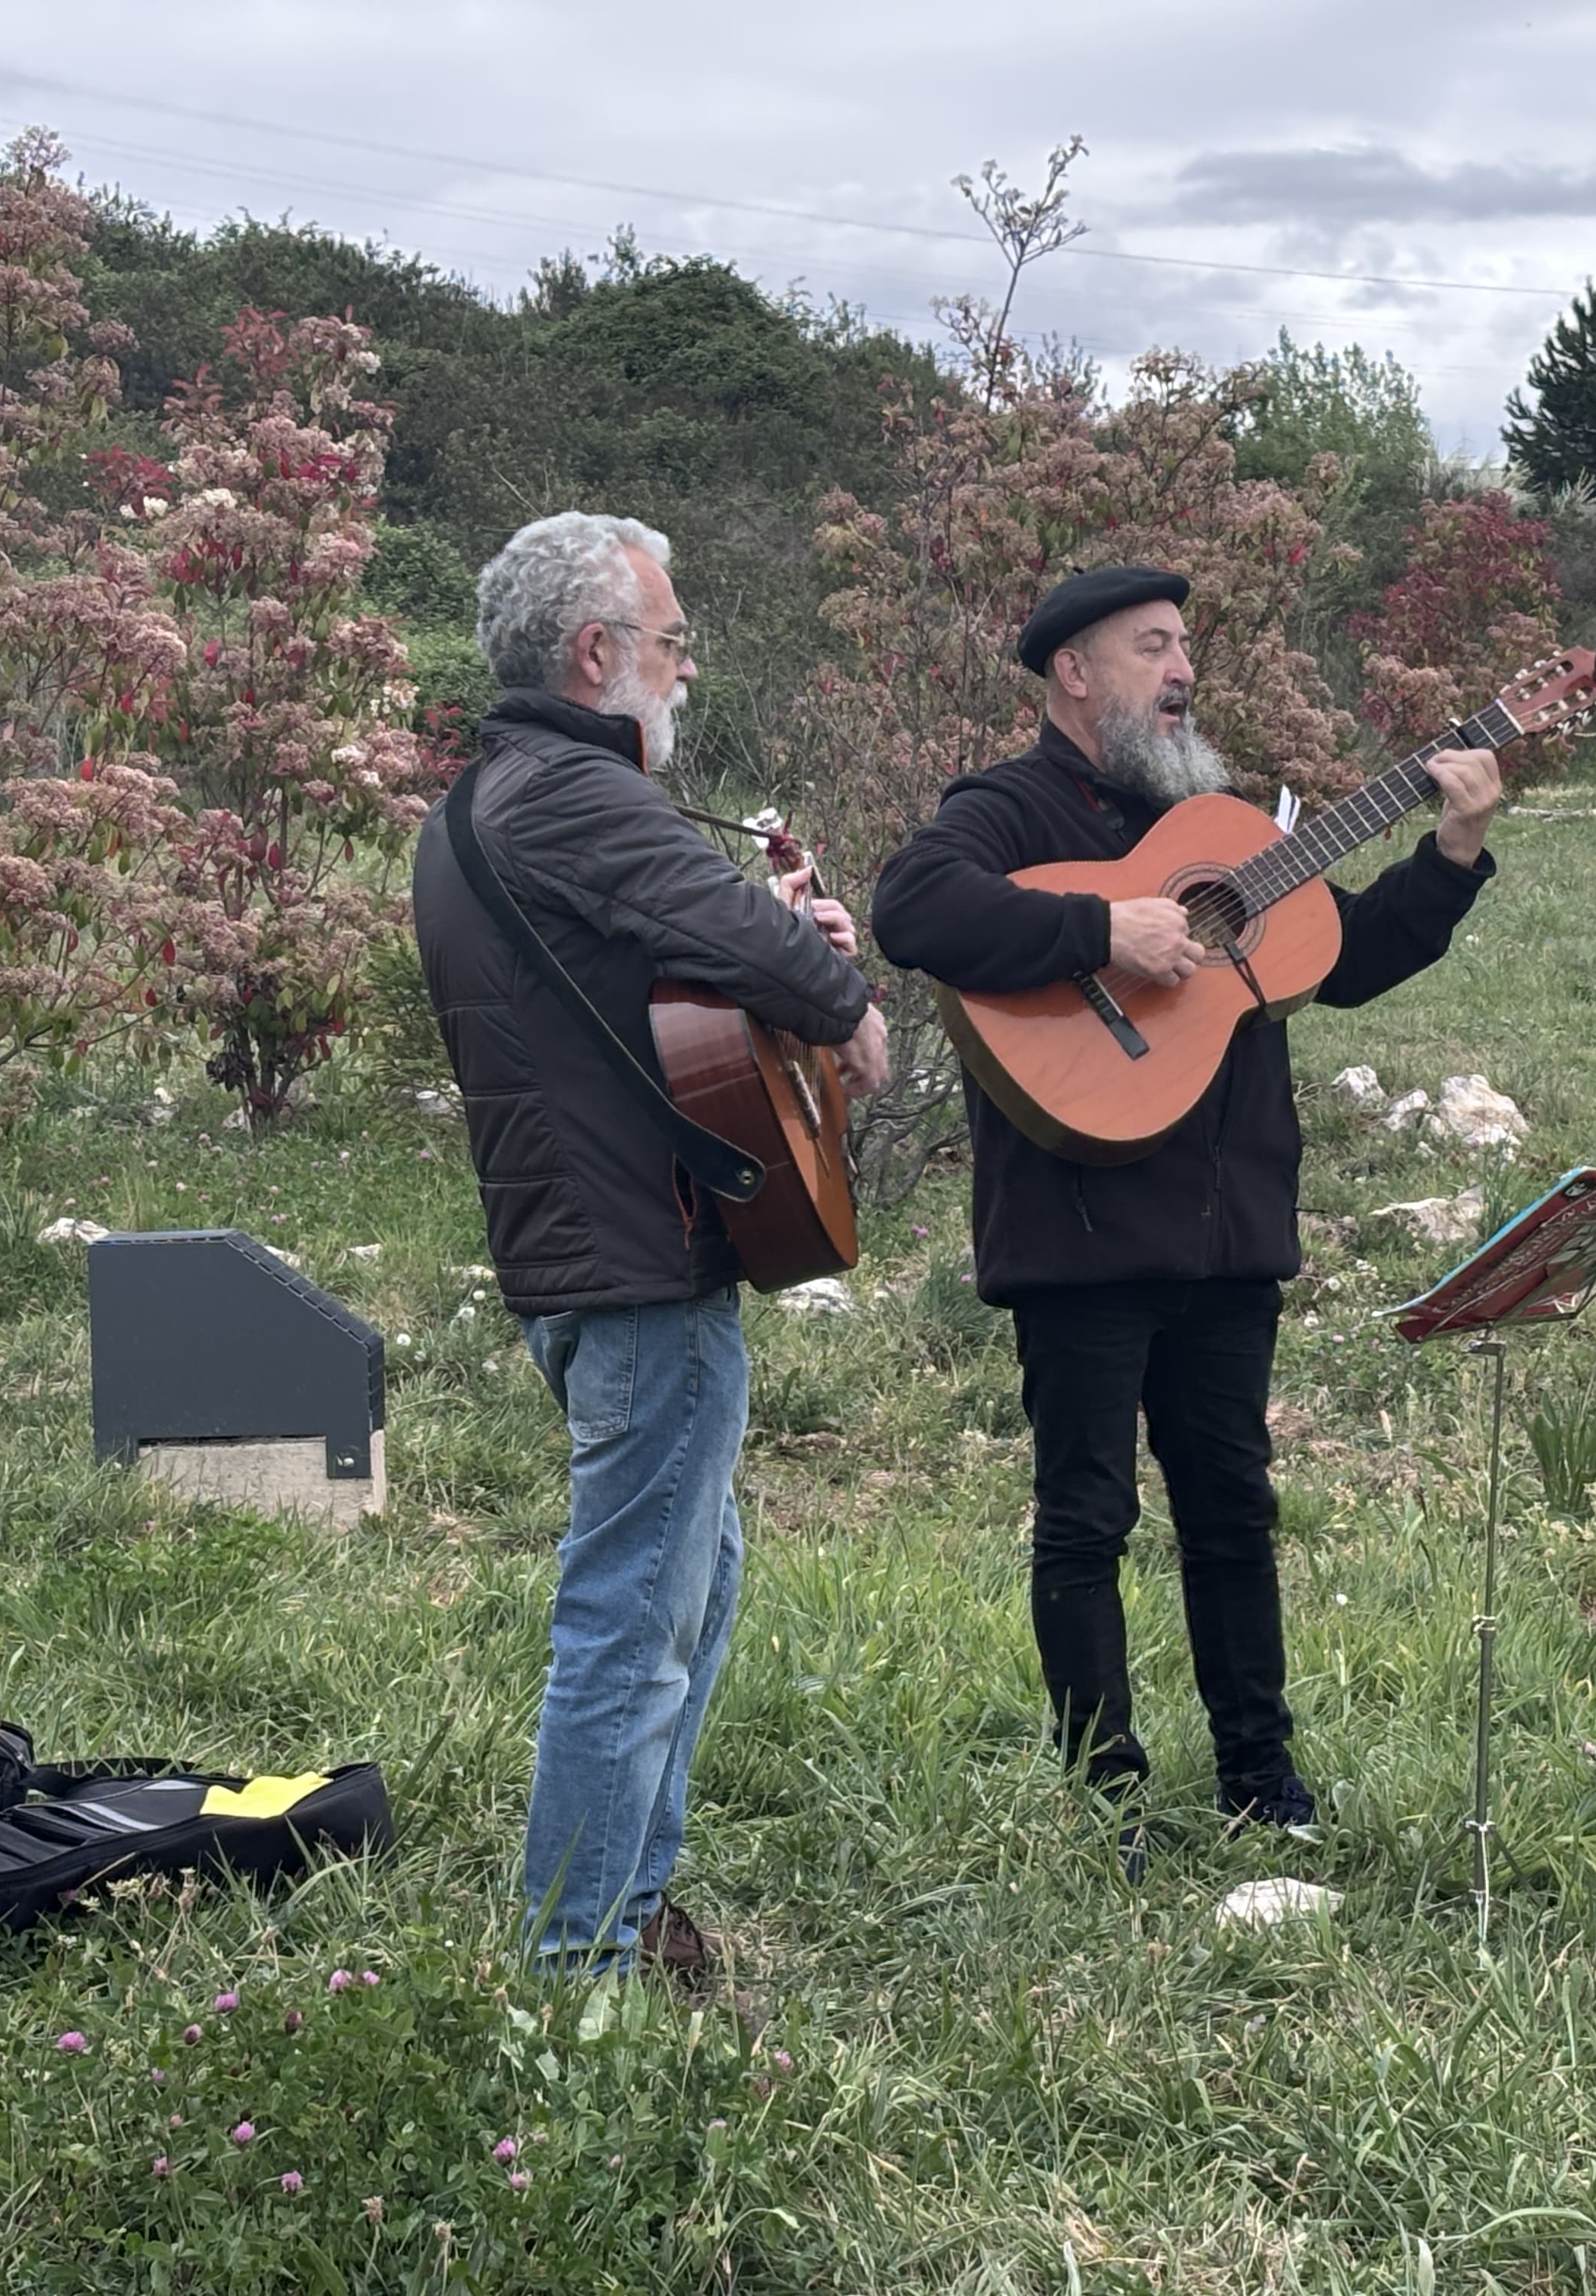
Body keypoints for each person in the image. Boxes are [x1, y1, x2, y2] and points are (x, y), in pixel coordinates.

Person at [871, 564, 1501, 1856]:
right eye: (1153, 646)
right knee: (1087, 1516)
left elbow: (1352, 956)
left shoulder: (1226, 823)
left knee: (1234, 1514)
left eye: (1186, 647)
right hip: (1082, 1226)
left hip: (1227, 1227)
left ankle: (1264, 1788)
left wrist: (1453, 849)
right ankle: (1104, 1801)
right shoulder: (1004, 807)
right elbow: (913, 910)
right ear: (1075, 672)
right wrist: (1103, 931)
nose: (1183, 669)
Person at [411, 510, 889, 1975]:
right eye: (672, 642)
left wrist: (770, 930)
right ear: (597, 652)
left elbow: (657, 969)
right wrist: (836, 995)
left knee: (698, 1581)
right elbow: (738, 946)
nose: (686, 671)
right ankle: (579, 1971)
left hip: (591, 1251)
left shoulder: (499, 799)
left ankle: (628, 1904)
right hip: (636, 1263)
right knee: (630, 1627)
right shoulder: (569, 795)